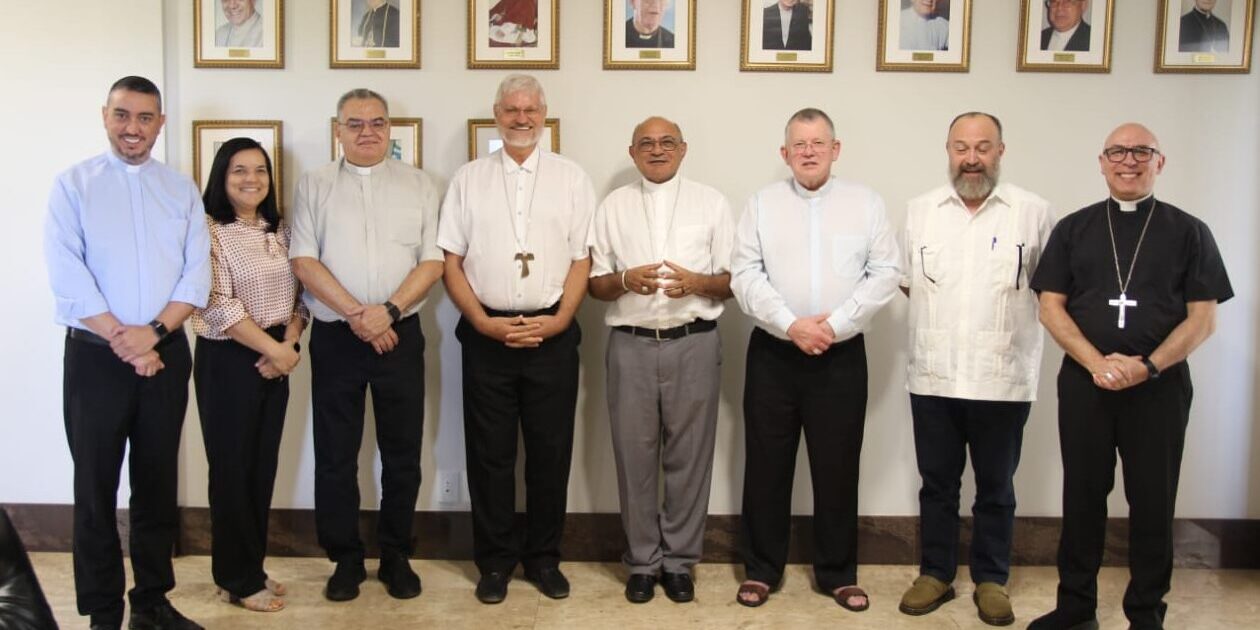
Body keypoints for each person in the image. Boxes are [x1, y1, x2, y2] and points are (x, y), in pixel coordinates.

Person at [1028, 123, 1233, 630]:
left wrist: (1148, 366)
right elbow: (1050, 307)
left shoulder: (1190, 232)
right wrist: (1096, 363)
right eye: (1117, 152)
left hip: (1159, 389)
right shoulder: (1073, 229)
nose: (1129, 160)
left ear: (1160, 162)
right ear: (1101, 162)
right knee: (1082, 498)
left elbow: (1203, 319)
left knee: (1153, 502)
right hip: (1086, 384)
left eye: (1142, 151)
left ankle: (1145, 613)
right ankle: (1076, 608)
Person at [44, 75, 210, 630]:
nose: (132, 128)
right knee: (95, 488)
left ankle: (152, 603)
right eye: (122, 115)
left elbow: (196, 274)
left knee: (157, 483)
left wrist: (154, 333)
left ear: (160, 123)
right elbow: (68, 273)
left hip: (166, 355)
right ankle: (101, 612)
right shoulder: (74, 185)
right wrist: (126, 339)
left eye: (144, 117)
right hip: (96, 360)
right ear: (105, 116)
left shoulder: (181, 189)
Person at [730, 108, 900, 611]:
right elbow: (745, 274)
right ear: (784, 153)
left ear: (835, 149)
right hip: (774, 354)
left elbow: (885, 273)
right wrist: (792, 324)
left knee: (837, 466)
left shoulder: (866, 204)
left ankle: (837, 573)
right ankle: (761, 570)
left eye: (818, 143)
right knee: (766, 465)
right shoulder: (761, 204)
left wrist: (835, 325)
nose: (809, 152)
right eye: (799, 144)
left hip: (840, 355)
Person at [438, 74, 596, 605]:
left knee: (551, 454)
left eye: (530, 109)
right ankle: (495, 562)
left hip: (552, 334)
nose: (521, 118)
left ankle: (545, 559)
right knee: (490, 456)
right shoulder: (468, 179)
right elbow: (451, 261)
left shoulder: (571, 178)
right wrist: (482, 321)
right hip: (487, 335)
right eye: (512, 109)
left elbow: (582, 258)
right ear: (497, 113)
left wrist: (561, 318)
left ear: (544, 114)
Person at [896, 113, 1056, 627]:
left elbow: (1049, 290)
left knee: (996, 487)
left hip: (1002, 376)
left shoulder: (1032, 213)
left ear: (1000, 151)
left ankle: (991, 579)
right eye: (961, 147)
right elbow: (908, 283)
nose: (971, 158)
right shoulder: (920, 211)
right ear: (947, 150)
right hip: (934, 374)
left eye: (983, 147)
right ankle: (935, 574)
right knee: (937, 484)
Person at [290, 88, 444, 603]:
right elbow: (304, 259)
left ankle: (396, 555)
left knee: (402, 453)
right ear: (338, 131)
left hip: (401, 334)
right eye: (354, 123)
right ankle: (346, 559)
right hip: (338, 337)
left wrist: (389, 312)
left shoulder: (420, 184)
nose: (367, 132)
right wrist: (360, 314)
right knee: (336, 454)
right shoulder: (313, 185)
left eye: (377, 122)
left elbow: (433, 261)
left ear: (389, 128)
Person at [588, 117, 733, 605]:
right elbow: (595, 284)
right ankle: (642, 562)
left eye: (667, 142)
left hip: (694, 341)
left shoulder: (711, 203)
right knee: (634, 458)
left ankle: (679, 563)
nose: (657, 150)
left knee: (689, 458)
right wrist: (625, 280)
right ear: (632, 152)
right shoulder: (613, 206)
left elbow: (733, 281)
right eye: (646, 144)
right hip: (630, 344)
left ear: (683, 149)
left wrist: (698, 283)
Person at [191, 138, 307, 614]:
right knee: (231, 471)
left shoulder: (279, 229)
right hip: (230, 358)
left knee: (261, 468)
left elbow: (301, 296)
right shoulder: (208, 230)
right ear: (221, 176)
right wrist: (273, 350)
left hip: (278, 355)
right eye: (239, 170)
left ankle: (248, 568)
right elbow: (215, 303)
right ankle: (235, 577)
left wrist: (290, 345)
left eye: (260, 170)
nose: (251, 179)